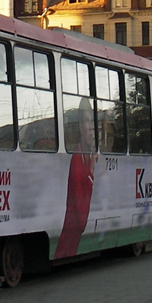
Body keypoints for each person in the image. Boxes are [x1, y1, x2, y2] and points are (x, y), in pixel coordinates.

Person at [55, 98, 96, 259]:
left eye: (92, 121)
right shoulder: (77, 160)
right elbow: (81, 219)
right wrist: (91, 170)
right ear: (80, 128)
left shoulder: (85, 154)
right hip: (69, 241)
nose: (91, 126)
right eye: (87, 121)